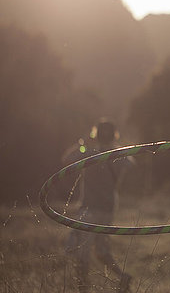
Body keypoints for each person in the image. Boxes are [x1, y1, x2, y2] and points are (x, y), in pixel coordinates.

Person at [63, 119, 133, 293]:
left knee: (83, 252)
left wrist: (83, 143)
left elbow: (67, 158)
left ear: (96, 134)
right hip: (105, 208)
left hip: (92, 209)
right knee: (99, 250)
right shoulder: (117, 155)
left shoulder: (89, 153)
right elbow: (131, 163)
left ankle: (83, 288)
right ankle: (122, 277)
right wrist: (115, 149)